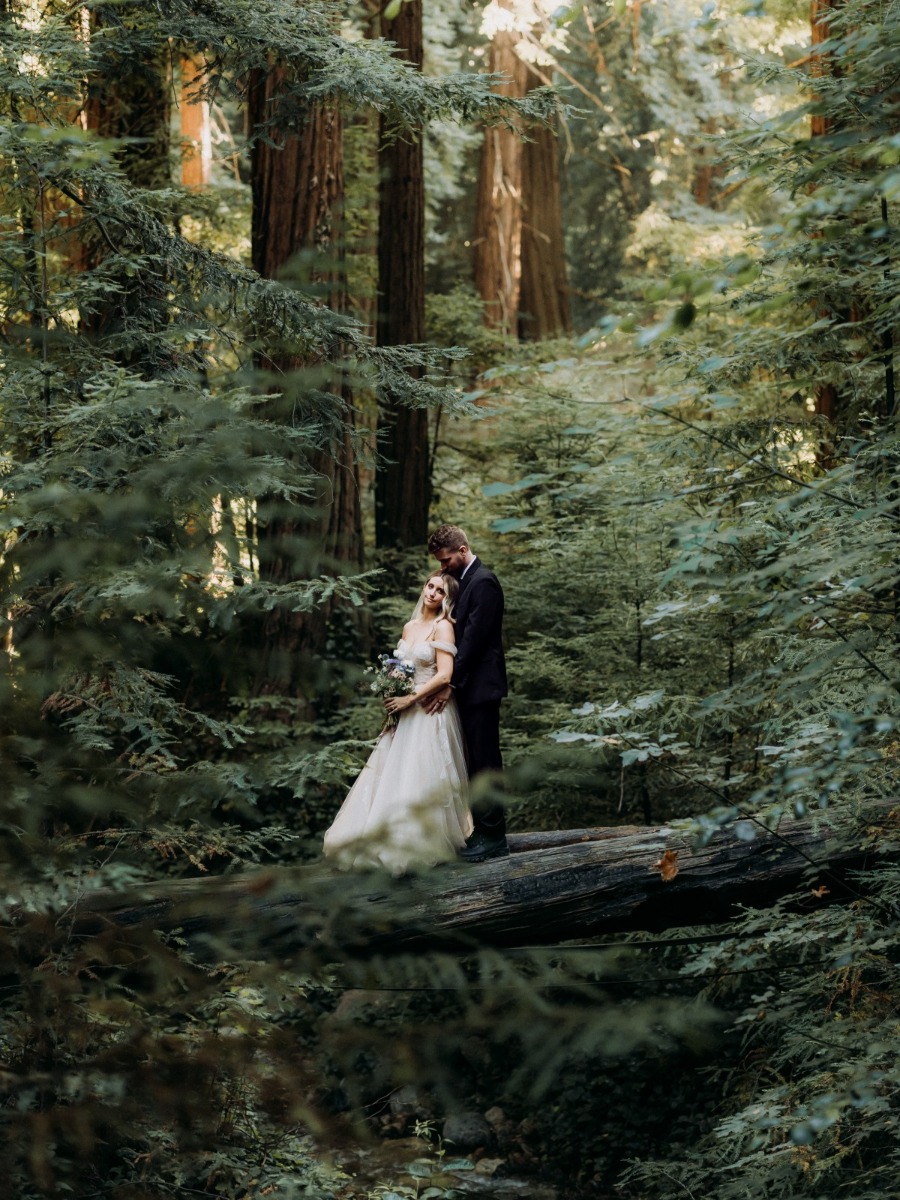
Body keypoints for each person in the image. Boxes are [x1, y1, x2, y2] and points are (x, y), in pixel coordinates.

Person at [323, 572, 472, 875]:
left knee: (422, 773)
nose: (432, 593)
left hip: (429, 710)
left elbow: (444, 675)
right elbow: (398, 672)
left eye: (440, 591)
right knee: (392, 774)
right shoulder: (410, 626)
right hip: (403, 713)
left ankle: (420, 844)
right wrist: (394, 702)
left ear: (447, 599)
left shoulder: (443, 627)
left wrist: (410, 699)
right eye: (430, 586)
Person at [426, 524, 509, 862]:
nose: (443, 567)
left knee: (486, 761)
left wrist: (449, 683)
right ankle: (482, 831)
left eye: (446, 560)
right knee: (473, 761)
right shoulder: (465, 583)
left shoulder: (484, 582)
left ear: (462, 550)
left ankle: (495, 836)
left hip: (481, 689)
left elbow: (473, 643)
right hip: (469, 687)